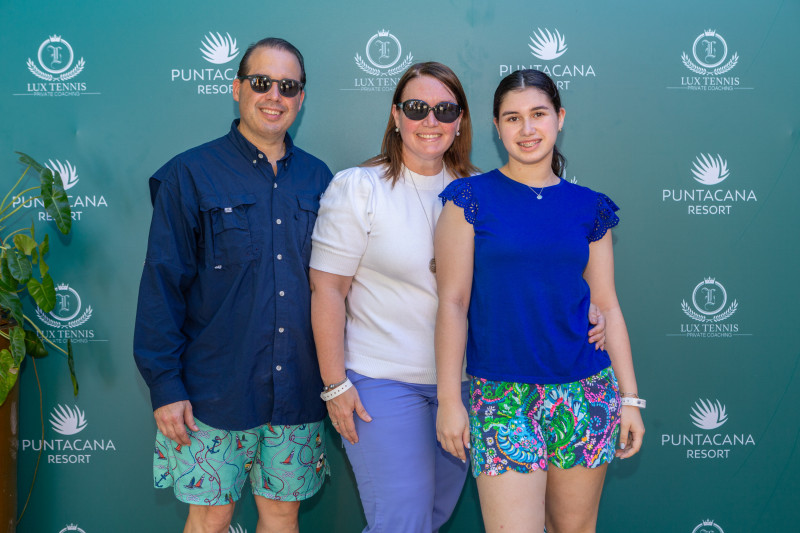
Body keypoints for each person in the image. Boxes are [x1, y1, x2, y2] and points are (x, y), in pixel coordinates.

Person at [308, 63, 606, 533]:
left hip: (470, 384)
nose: (431, 121)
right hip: (383, 381)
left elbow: (530, 269)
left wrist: (583, 306)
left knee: (434, 516)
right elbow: (327, 289)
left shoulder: (482, 190)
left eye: (445, 109)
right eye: (416, 108)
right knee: (401, 522)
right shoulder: (357, 187)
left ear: (461, 120)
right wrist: (335, 384)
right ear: (395, 115)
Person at [133, 38, 332, 533]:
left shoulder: (319, 179)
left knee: (283, 516)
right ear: (237, 87)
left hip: (298, 391)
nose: (274, 95)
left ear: (301, 98)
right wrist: (165, 386)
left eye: (288, 86)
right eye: (262, 82)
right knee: (210, 517)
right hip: (212, 391)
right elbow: (162, 285)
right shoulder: (190, 174)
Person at [434, 69, 645, 533]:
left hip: (585, 391)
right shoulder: (468, 200)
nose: (527, 129)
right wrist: (450, 399)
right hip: (502, 395)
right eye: (513, 118)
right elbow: (452, 303)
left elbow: (607, 304)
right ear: (495, 125)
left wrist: (630, 397)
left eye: (538, 115)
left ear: (559, 118)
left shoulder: (590, 207)